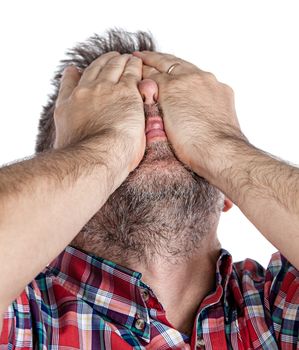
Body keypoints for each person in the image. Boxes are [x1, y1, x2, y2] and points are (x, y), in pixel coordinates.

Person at [0, 29, 298, 349]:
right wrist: (103, 145)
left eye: (178, 117)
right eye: (118, 110)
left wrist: (221, 144)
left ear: (230, 190)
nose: (147, 94)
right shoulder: (22, 316)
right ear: (61, 203)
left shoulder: (277, 304)